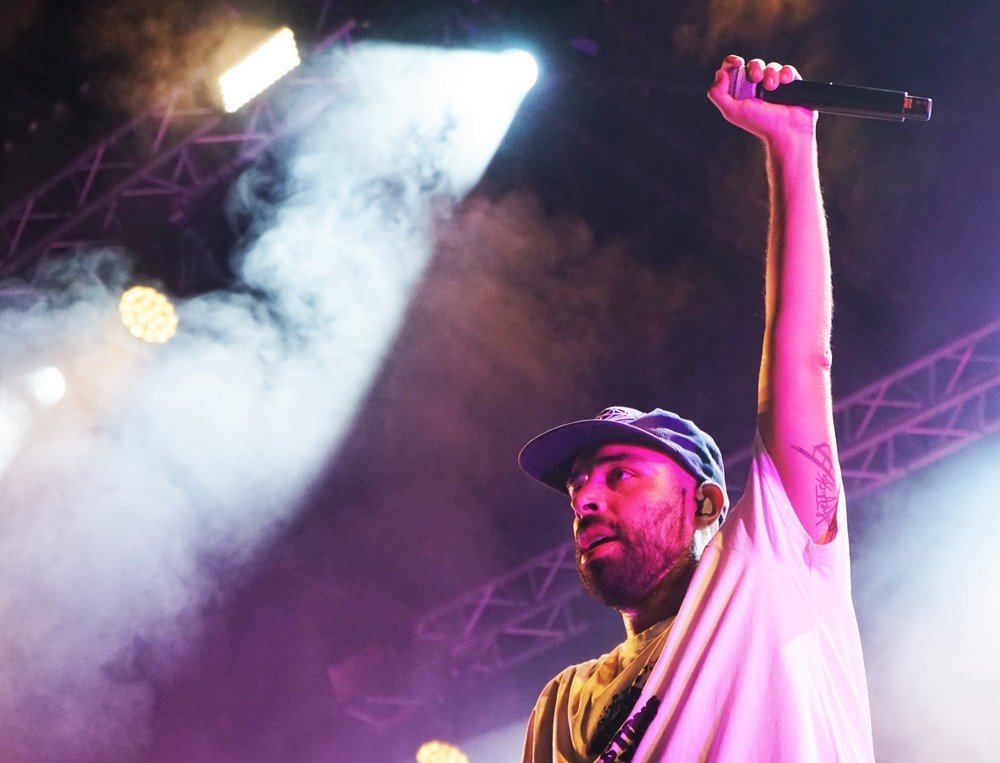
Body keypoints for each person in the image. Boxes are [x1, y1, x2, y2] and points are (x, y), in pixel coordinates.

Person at [517, 55, 875, 762]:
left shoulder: (769, 562)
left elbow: (802, 357)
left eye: (619, 474)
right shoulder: (561, 704)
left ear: (707, 501)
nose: (586, 498)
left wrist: (790, 145)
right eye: (578, 487)